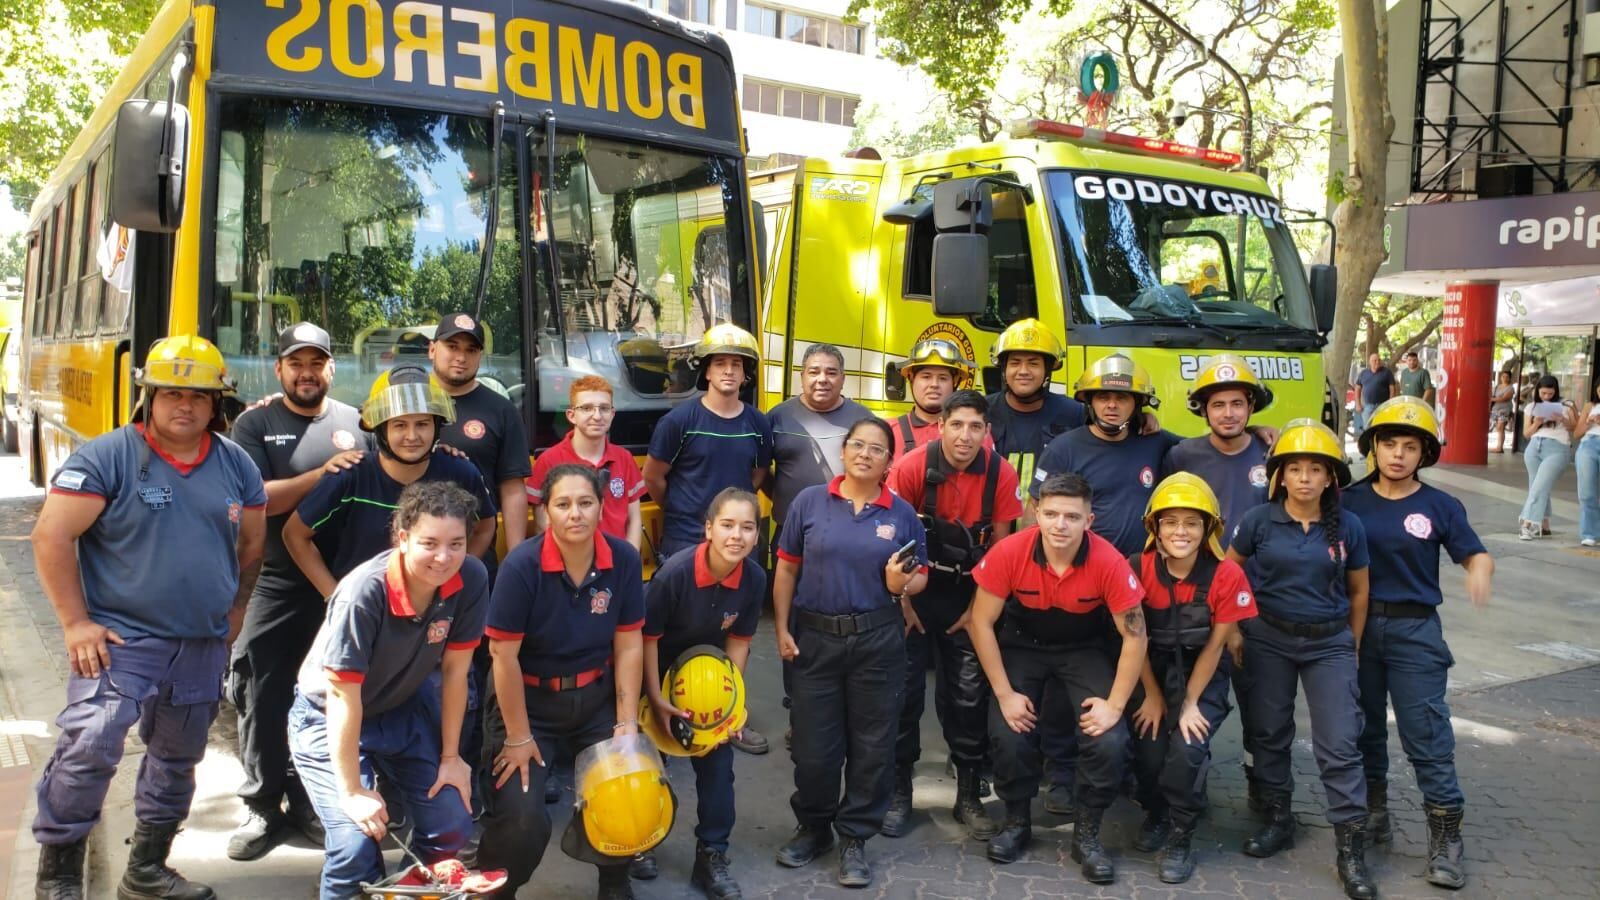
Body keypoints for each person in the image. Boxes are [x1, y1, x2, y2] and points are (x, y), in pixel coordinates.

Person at [31, 335, 267, 900]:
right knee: (89, 744)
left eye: (198, 396)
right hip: (120, 640)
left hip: (201, 644)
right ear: (150, 398)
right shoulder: (109, 456)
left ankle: (147, 869)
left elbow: (252, 548)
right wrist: (75, 623)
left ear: (218, 404)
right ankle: (59, 875)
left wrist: (234, 611)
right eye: (170, 394)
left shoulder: (236, 465)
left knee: (177, 758)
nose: (184, 405)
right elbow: (51, 535)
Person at [288, 482, 489, 900]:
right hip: (328, 716)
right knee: (354, 844)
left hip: (401, 708)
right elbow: (343, 696)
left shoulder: (470, 577)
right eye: (429, 543)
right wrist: (352, 792)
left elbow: (455, 672)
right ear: (402, 539)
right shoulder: (364, 592)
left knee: (451, 824)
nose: (443, 557)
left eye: (456, 544)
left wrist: (452, 759)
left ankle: (398, 893)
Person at [226, 322, 364, 861]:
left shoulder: (357, 423)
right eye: (295, 363)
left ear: (331, 368)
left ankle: (311, 801)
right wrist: (321, 475)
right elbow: (254, 496)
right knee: (262, 689)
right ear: (279, 369)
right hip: (278, 581)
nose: (306, 373)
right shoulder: (255, 423)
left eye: (316, 363)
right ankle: (262, 804)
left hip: (342, 582)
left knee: (332, 696)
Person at [475, 464, 646, 899]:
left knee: (627, 792)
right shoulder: (522, 566)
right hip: (527, 702)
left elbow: (628, 646)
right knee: (522, 816)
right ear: (546, 512)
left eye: (586, 502)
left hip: (595, 698)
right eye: (563, 504)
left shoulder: (623, 559)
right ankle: (497, 889)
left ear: (602, 507)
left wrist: (626, 721)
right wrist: (517, 736)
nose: (576, 513)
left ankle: (615, 881)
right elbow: (502, 656)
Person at [966, 473, 1147, 882]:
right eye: (1050, 514)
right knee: (1008, 732)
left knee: (1109, 739)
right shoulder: (1010, 551)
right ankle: (1016, 822)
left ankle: (1087, 833)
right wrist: (1005, 694)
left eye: (1071, 516)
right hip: (1022, 644)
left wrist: (1114, 706)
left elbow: (1135, 637)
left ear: (1090, 520)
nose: (1059, 525)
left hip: (1083, 648)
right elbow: (980, 622)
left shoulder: (1109, 561)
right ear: (1036, 513)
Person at [1344, 397, 1493, 889]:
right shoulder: (1347, 500)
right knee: (1362, 730)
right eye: (1389, 443)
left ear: (1424, 453)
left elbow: (1474, 554)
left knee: (1427, 737)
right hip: (1358, 629)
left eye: (1410, 446)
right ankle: (1374, 812)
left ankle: (1446, 839)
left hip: (1415, 632)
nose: (1398, 454)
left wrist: (1479, 573)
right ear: (1373, 447)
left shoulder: (1440, 506)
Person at [772, 418, 928, 888]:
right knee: (814, 749)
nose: (864, 453)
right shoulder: (809, 503)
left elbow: (919, 577)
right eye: (856, 444)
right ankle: (814, 827)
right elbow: (785, 571)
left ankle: (855, 838)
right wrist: (781, 628)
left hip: (878, 640)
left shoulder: (901, 514)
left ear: (888, 461)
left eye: (876, 448)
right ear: (844, 452)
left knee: (872, 747)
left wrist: (903, 585)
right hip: (815, 639)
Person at [1226, 419, 1376, 900]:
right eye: (1296, 469)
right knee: (1269, 731)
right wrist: (1233, 627)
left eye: (1317, 469)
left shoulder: (1348, 525)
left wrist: (1350, 644)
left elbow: (1359, 591)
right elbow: (1230, 573)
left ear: (1331, 476)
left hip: (1329, 642)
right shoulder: (1258, 521)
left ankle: (1350, 848)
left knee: (1339, 741)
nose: (1306, 478)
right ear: (1280, 476)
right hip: (1268, 638)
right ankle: (1277, 818)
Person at [883, 390, 1023, 840]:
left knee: (967, 697)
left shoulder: (999, 472)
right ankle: (899, 789)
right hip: (914, 592)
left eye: (975, 427)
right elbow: (890, 543)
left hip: (970, 595)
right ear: (940, 425)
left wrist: (978, 613)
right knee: (904, 693)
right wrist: (902, 602)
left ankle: (968, 795)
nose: (965, 436)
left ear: (987, 433)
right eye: (957, 425)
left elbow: (1002, 548)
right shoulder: (911, 468)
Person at [644, 323, 773, 757]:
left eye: (737, 364)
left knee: (730, 633)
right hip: (685, 536)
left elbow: (756, 477)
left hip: (732, 538)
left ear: (747, 373)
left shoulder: (758, 424)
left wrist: (733, 523)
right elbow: (654, 477)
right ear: (705, 370)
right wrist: (686, 512)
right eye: (721, 363)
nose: (729, 371)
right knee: (672, 633)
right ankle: (664, 710)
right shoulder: (679, 421)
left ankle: (728, 713)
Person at [1126, 473, 1257, 884]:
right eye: (1171, 522)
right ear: (1155, 527)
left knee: (1186, 748)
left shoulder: (1226, 576)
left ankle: (1181, 833)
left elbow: (1216, 647)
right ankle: (1156, 813)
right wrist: (1151, 695)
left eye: (1192, 522)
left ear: (1208, 530)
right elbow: (1135, 640)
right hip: (1150, 668)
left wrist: (1188, 705)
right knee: (1147, 749)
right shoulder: (1137, 567)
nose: (1181, 531)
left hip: (1201, 673)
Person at [640, 488, 767, 900]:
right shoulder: (674, 574)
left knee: (717, 770)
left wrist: (734, 705)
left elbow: (740, 645)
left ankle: (711, 855)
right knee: (646, 771)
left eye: (747, 527)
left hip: (707, 685)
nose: (737, 536)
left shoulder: (754, 578)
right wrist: (654, 702)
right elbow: (646, 639)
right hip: (655, 676)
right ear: (708, 528)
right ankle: (639, 845)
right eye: (727, 525)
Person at [1160, 354, 1274, 812]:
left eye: (1237, 403)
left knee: (1263, 709)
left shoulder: (1273, 453)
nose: (1228, 413)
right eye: (1217, 404)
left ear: (1251, 407)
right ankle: (1191, 788)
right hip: (1198, 601)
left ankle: (1265, 795)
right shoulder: (1180, 455)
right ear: (1203, 410)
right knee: (1197, 699)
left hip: (1261, 601)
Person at [283, 364, 497, 598]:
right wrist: (335, 597)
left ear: (437, 426)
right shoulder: (350, 475)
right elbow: (294, 534)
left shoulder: (460, 472)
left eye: (423, 424)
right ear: (381, 428)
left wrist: (451, 577)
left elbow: (485, 526)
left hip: (436, 613)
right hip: (364, 608)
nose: (412, 436)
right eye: (400, 425)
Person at [1032, 354, 1181, 557]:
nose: (1112, 405)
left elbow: (1204, 448)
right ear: (1090, 402)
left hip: (1142, 569)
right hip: (1084, 569)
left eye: (1122, 398)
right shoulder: (1062, 449)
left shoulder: (1154, 440)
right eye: (1103, 397)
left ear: (1137, 404)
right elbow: (1035, 510)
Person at [427, 312, 532, 569]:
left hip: (475, 554)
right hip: (409, 555)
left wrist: (516, 557)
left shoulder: (501, 410)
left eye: (471, 350)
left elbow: (512, 488)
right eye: (452, 347)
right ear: (432, 349)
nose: (461, 357)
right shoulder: (408, 403)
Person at [530, 375, 645, 549]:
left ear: (612, 414)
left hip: (617, 564)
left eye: (604, 408)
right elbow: (542, 524)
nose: (597, 416)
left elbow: (635, 520)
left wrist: (629, 561)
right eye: (587, 408)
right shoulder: (549, 461)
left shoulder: (624, 458)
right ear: (571, 415)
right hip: (568, 566)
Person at [767, 343, 874, 529]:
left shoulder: (864, 419)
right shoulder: (778, 417)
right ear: (802, 377)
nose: (822, 379)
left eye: (831, 373)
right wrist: (782, 497)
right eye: (814, 372)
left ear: (843, 379)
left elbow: (878, 473)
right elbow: (760, 470)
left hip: (847, 529)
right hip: (790, 529)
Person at [984, 319, 1084, 487]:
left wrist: (1141, 418)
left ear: (1048, 370)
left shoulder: (1075, 414)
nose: (1023, 371)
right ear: (1004, 369)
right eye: (1015, 363)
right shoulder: (981, 410)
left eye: (1033, 363)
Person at [888, 338, 978, 460]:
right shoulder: (887, 432)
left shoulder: (973, 434)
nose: (934, 384)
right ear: (911, 379)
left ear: (955, 382)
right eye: (926, 376)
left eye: (943, 378)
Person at [1518, 374, 1576, 541]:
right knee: (1537, 485)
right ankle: (1544, 525)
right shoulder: (1531, 406)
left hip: (1557, 448)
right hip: (1534, 448)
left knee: (1539, 486)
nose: (1547, 397)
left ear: (1556, 391)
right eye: (1543, 393)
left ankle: (1527, 524)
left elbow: (1575, 428)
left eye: (1550, 394)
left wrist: (1562, 419)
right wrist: (1537, 423)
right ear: (1538, 391)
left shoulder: (1566, 405)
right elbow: (1526, 434)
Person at [1577, 381, 1600, 547]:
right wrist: (1589, 422)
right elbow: (1577, 433)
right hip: (1588, 445)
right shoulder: (1589, 406)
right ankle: (1590, 532)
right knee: (1586, 491)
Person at [1353, 354, 1396, 433]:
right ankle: (1369, 444)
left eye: (1379, 360)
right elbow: (1357, 388)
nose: (1377, 362)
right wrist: (1358, 404)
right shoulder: (1364, 373)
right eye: (1375, 360)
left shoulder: (1387, 372)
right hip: (1368, 406)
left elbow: (1392, 388)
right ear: (1370, 362)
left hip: (1383, 406)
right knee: (1367, 428)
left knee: (1383, 427)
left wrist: (1391, 402)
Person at [1489, 371, 1515, 454]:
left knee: (1501, 426)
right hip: (1495, 409)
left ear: (1510, 378)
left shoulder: (1510, 388)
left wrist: (1493, 399)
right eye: (1503, 376)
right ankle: (1498, 446)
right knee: (1498, 428)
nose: (1504, 378)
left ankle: (1500, 447)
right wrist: (1495, 399)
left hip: (1504, 410)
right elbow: (1493, 396)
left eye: (1507, 376)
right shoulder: (1497, 387)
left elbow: (1505, 398)